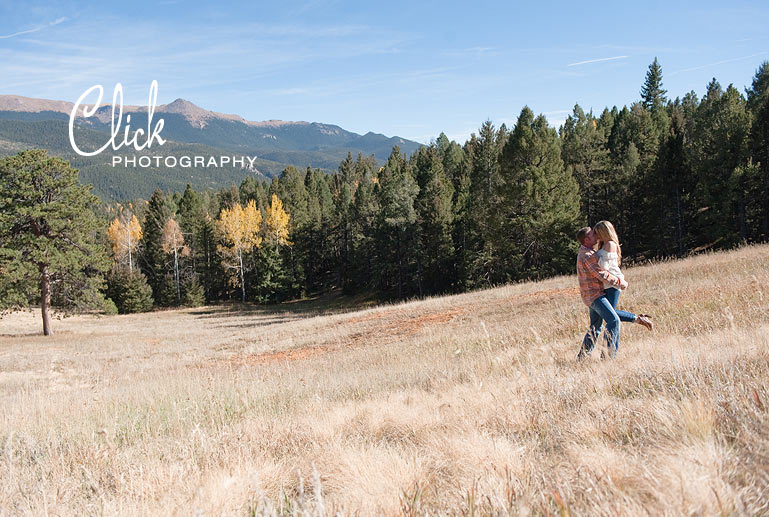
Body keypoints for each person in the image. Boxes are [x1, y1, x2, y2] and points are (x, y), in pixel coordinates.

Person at [575, 226, 652, 360]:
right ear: (587, 239)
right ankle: (608, 357)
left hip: (591, 295)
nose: (596, 235)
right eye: (593, 234)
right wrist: (619, 282)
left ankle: (582, 358)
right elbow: (600, 273)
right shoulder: (587, 255)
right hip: (595, 295)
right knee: (613, 320)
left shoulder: (586, 251)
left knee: (595, 327)